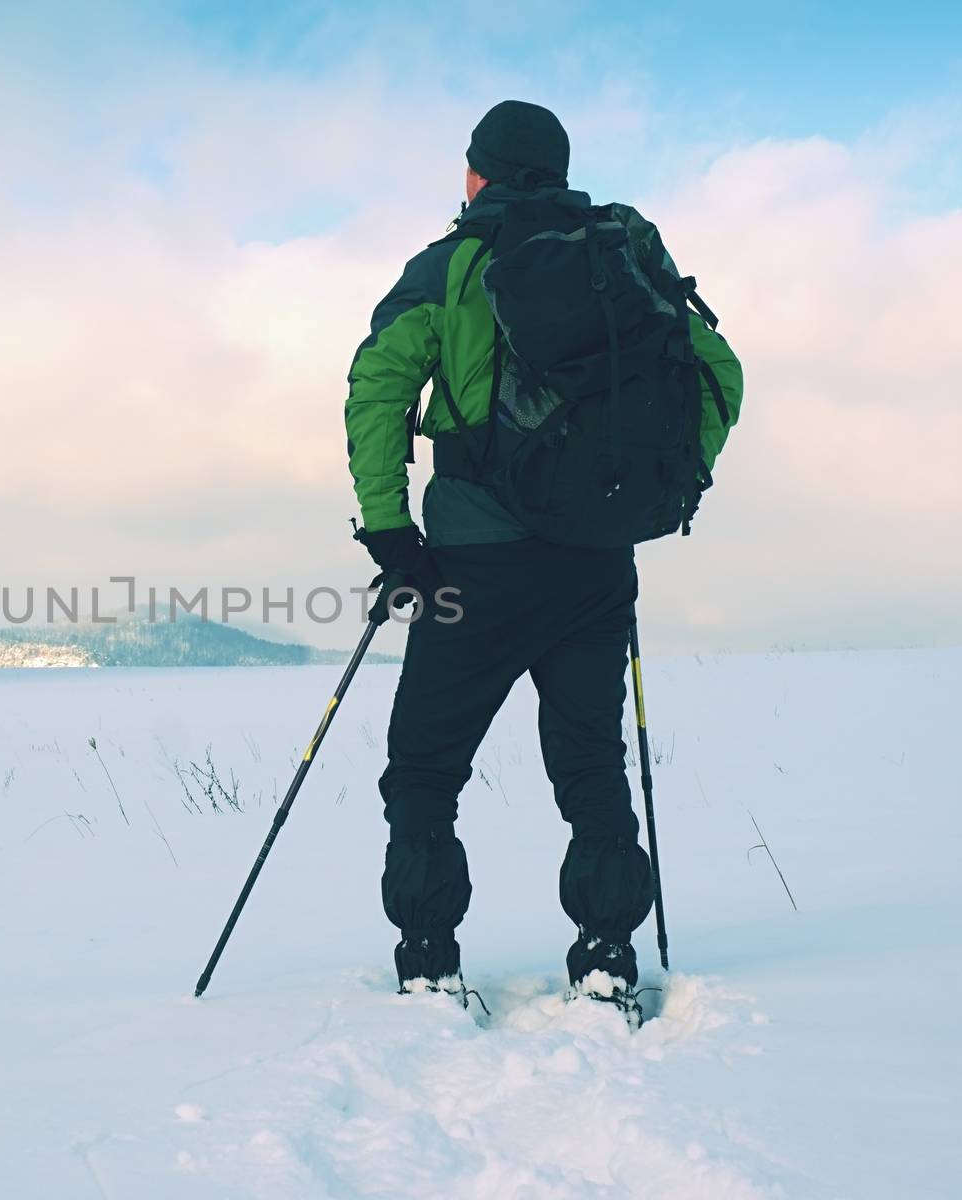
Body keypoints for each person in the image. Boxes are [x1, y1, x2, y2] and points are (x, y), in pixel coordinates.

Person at [344, 100, 743, 1015]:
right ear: (558, 172)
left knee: (424, 768)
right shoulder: (621, 258)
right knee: (591, 764)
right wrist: (670, 483)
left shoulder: (449, 267)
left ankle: (430, 958)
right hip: (594, 568)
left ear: (476, 174)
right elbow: (718, 372)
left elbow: (377, 388)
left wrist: (389, 532)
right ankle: (605, 959)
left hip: (467, 571)